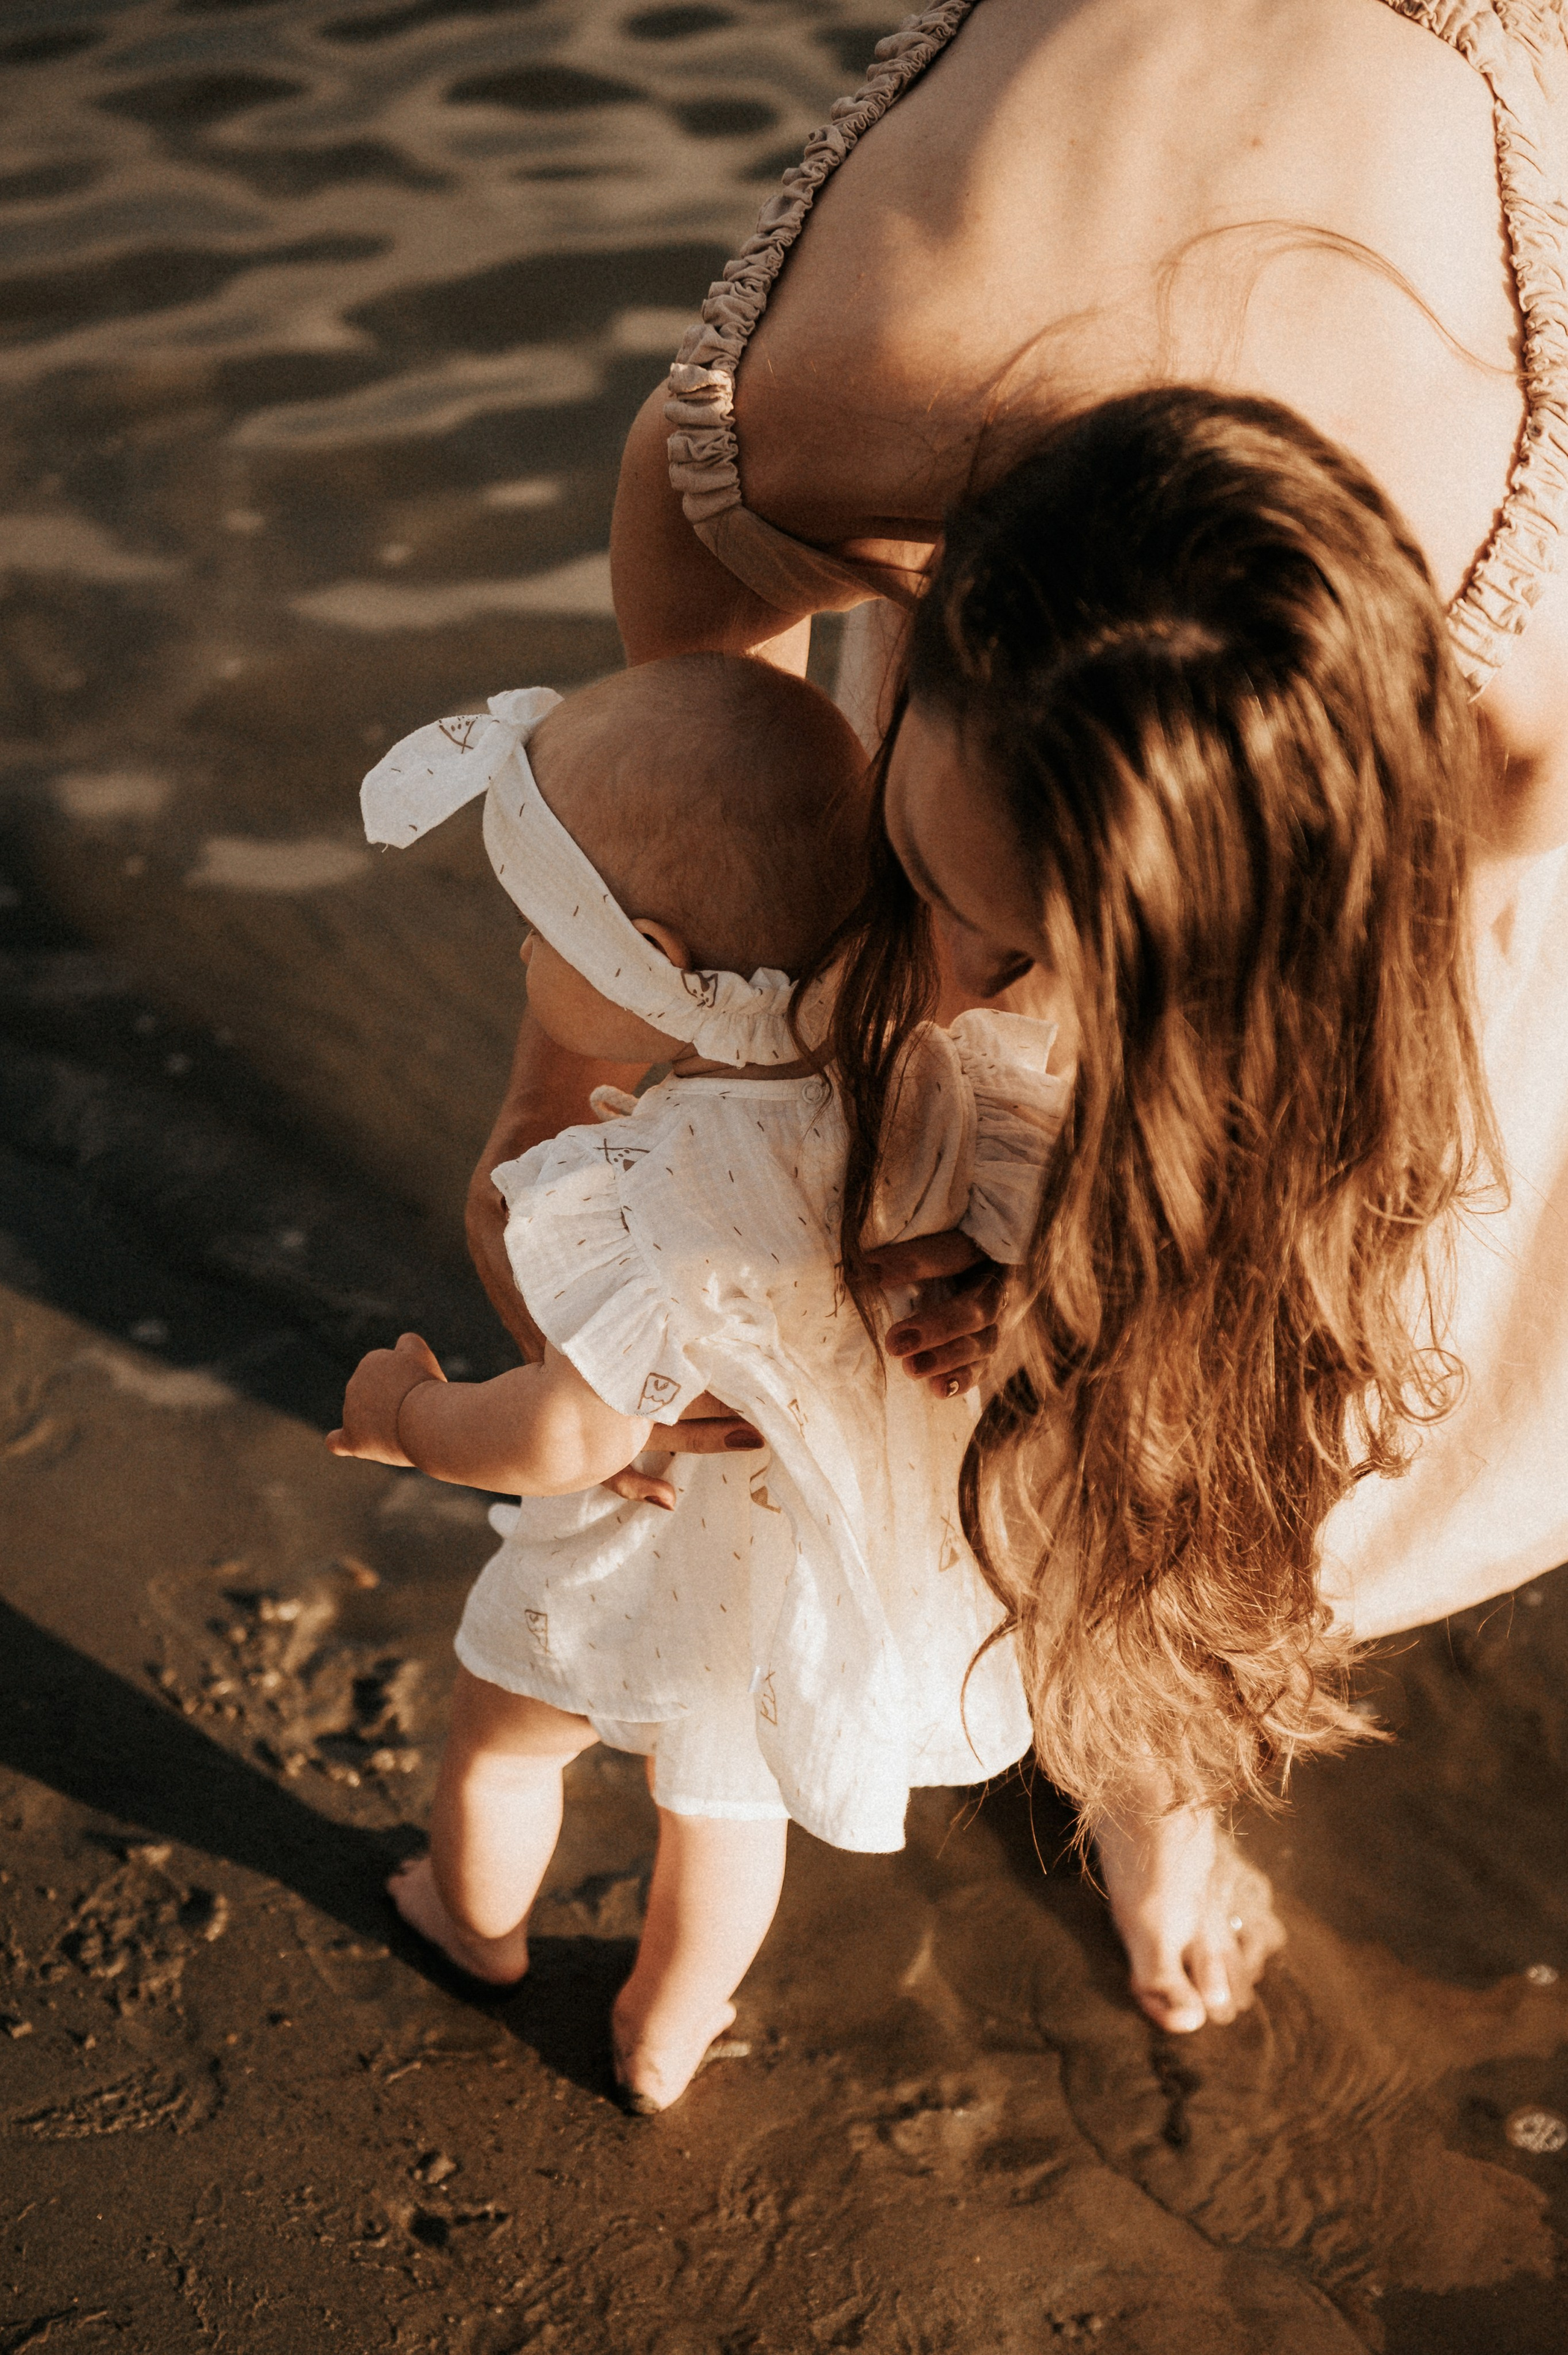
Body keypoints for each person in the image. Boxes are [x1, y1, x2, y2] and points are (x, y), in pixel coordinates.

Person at [473, 0, 1568, 2032]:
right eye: (965, 908)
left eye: (1035, 961)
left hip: (1456, 289)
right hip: (1013, 319)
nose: (970, 994)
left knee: (1284, 1320)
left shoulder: (1512, 736)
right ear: (942, 621)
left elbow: (1349, 1158)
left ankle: (1152, 1756)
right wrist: (581, 1159)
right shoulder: (800, 437)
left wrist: (1144, 1273)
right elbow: (690, 937)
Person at [330, 652, 1068, 2110]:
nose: (522, 966)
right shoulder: (947, 1077)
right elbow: (1056, 1235)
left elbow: (562, 1432)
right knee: (725, 1810)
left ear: (652, 956)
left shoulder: (627, 1182)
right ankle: (664, 2031)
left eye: (535, 937)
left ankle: (466, 1921)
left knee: (504, 1739)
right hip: (804, 1567)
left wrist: (404, 1417)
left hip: (633, 1537)